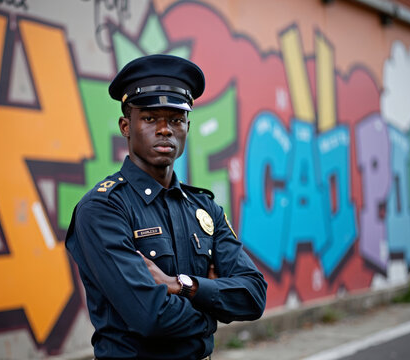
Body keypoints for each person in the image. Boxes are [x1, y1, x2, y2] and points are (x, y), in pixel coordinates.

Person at [65, 54, 267, 360]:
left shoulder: (204, 208)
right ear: (125, 125)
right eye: (149, 118)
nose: (164, 130)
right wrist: (211, 312)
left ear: (187, 126)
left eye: (175, 119)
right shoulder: (103, 209)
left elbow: (254, 295)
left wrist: (184, 286)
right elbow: (151, 316)